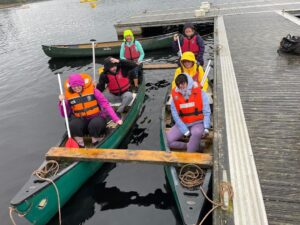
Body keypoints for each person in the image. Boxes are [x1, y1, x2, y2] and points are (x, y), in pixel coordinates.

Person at [58, 73, 122, 148]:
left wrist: (116, 119)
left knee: (95, 125)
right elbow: (64, 114)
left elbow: (106, 105)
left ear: (82, 84)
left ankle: (96, 140)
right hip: (80, 118)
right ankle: (82, 142)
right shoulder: (67, 96)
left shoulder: (93, 91)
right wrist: (62, 103)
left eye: (78, 86)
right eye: (74, 87)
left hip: (96, 117)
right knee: (73, 125)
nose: (76, 88)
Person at [166, 74, 211, 152]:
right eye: (179, 84)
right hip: (183, 123)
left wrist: (206, 127)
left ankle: (191, 150)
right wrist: (184, 130)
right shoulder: (175, 96)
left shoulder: (200, 92)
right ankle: (190, 146)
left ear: (188, 82)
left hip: (198, 123)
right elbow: (175, 114)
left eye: (183, 83)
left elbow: (206, 111)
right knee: (167, 141)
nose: (181, 86)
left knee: (197, 132)